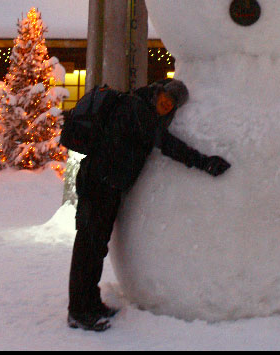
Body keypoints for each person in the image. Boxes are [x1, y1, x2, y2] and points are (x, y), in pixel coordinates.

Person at [68, 79, 230, 332]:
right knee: (88, 246)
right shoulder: (136, 109)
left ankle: (89, 302)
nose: (166, 105)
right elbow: (166, 144)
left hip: (108, 184)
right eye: (166, 98)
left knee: (96, 246)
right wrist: (203, 162)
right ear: (158, 92)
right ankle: (78, 310)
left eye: (171, 105)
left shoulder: (140, 108)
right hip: (99, 182)